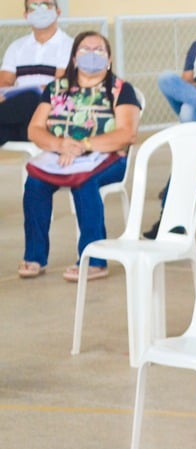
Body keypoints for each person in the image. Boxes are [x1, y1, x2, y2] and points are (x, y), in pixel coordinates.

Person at [18, 31, 140, 280]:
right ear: (74, 58)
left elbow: (127, 134)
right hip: (60, 156)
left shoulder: (120, 89)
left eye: (99, 50)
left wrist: (83, 145)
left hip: (108, 157)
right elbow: (35, 128)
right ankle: (35, 256)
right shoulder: (56, 88)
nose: (92, 54)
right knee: (35, 184)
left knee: (84, 182)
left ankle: (94, 259)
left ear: (109, 58)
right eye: (85, 49)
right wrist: (61, 144)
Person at [0, 0, 73, 145]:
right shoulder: (17, 47)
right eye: (34, 6)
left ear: (58, 11)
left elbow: (60, 85)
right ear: (26, 15)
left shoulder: (69, 46)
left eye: (45, 5)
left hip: (50, 111)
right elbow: (4, 81)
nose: (40, 10)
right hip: (19, 117)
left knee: (32, 97)